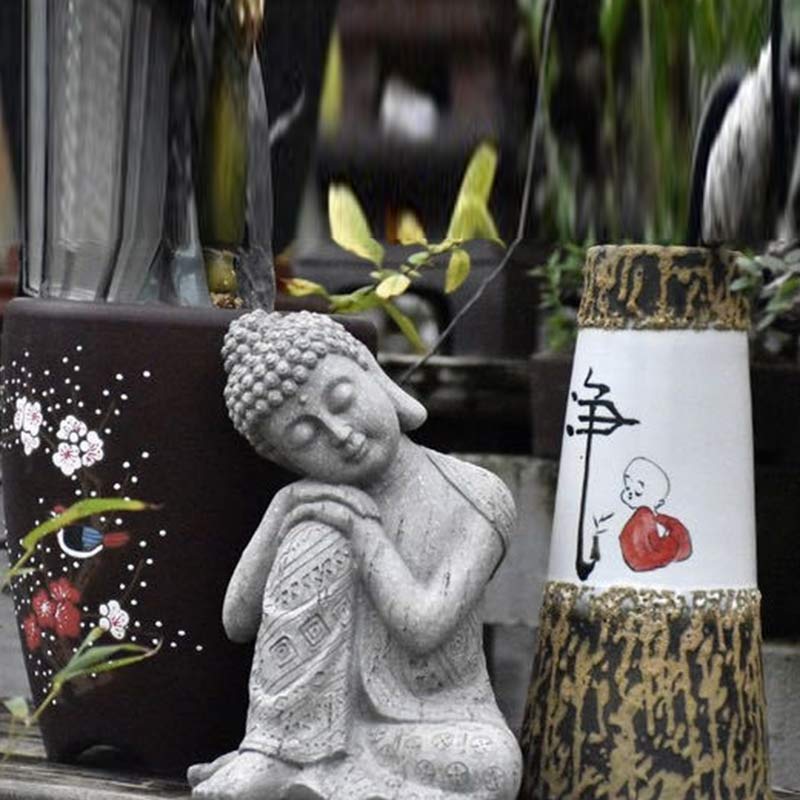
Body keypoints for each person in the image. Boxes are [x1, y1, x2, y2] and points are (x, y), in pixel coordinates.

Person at [189, 310, 521, 800]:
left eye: (342, 399)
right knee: (314, 533)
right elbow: (237, 621)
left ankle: (306, 779)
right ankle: (274, 756)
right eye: (304, 437)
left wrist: (363, 530)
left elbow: (423, 627)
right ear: (284, 459)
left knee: (494, 766)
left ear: (370, 370)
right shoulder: (314, 505)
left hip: (432, 724)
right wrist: (284, 509)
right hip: (311, 729)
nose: (340, 435)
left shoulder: (478, 495)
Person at [618, 456, 692, 572]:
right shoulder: (643, 517)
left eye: (637, 492)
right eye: (627, 487)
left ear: (659, 502)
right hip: (640, 560)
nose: (629, 494)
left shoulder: (647, 516)